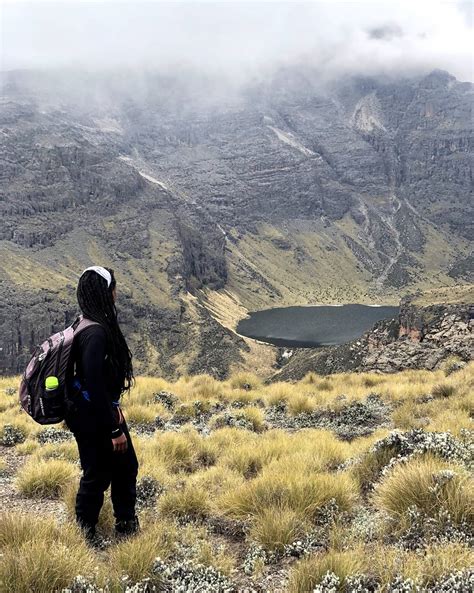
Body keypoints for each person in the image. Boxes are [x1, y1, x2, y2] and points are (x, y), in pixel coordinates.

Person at [65, 265, 139, 545]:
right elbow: (94, 385)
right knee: (97, 473)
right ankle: (85, 536)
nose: (117, 293)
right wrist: (113, 429)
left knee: (123, 466)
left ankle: (125, 523)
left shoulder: (84, 323)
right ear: (105, 292)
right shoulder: (95, 333)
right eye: (114, 288)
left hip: (95, 411)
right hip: (93, 416)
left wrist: (114, 405)